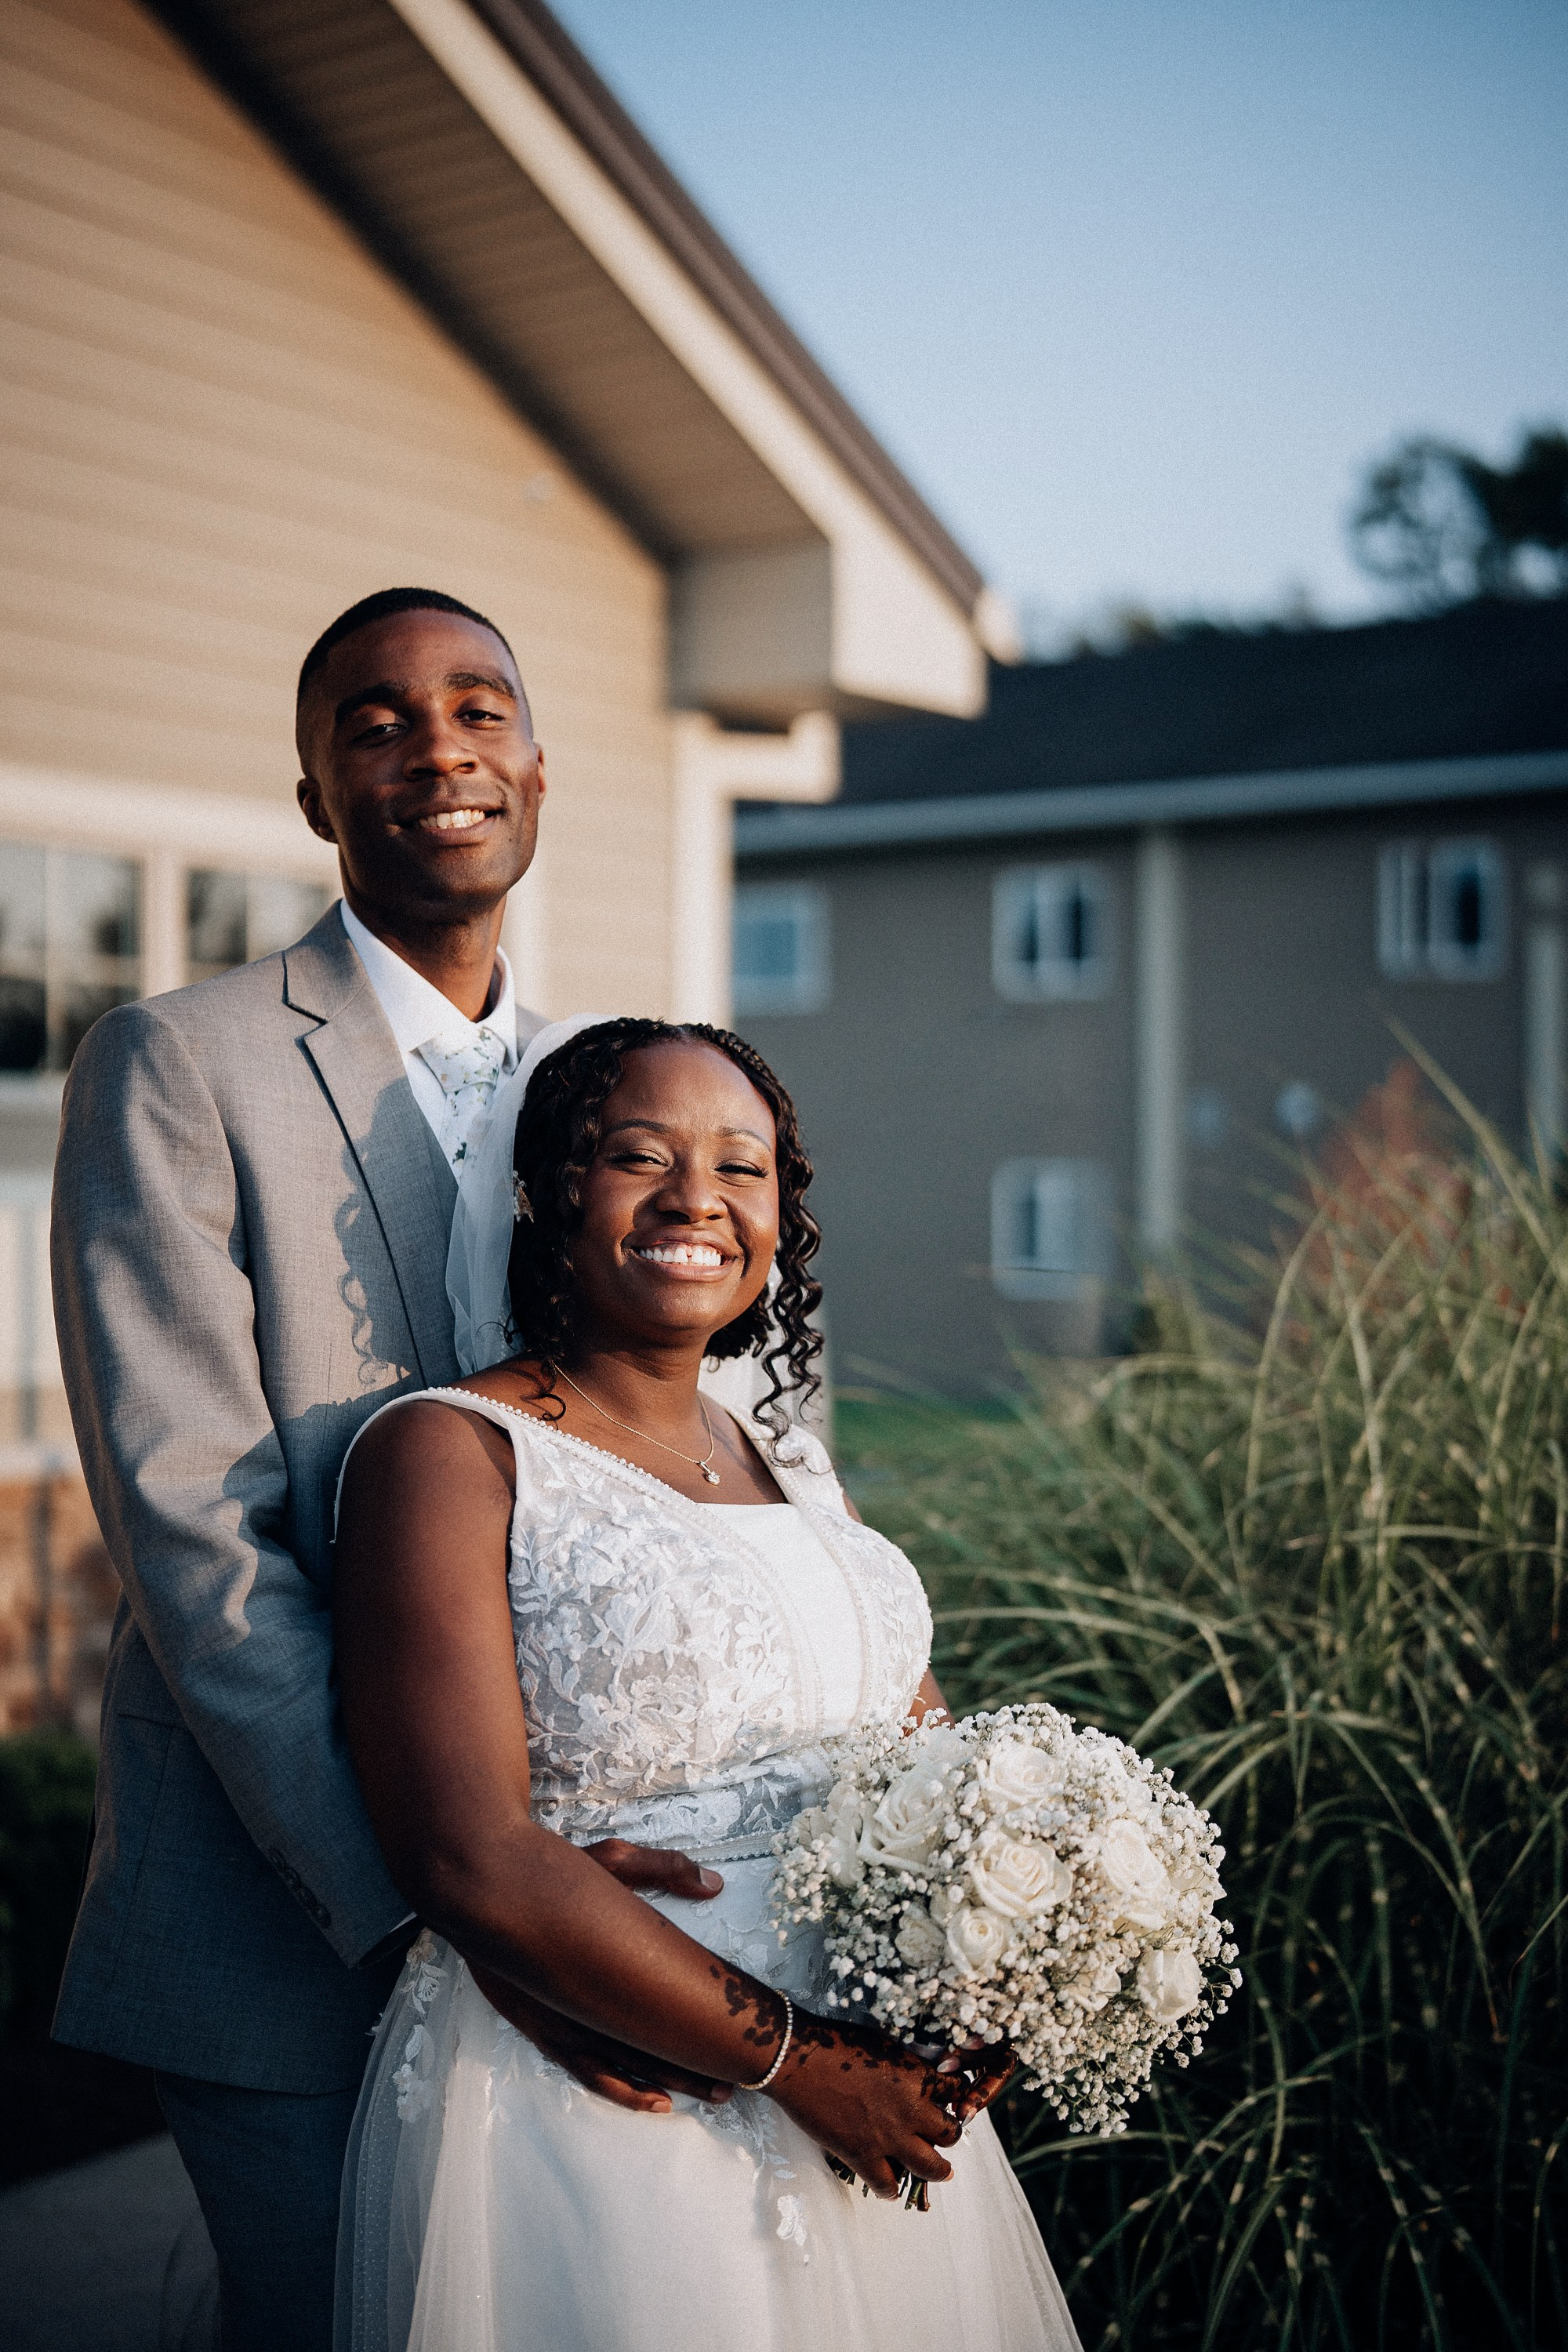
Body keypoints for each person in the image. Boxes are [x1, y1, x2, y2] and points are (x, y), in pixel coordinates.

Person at [49, 589, 724, 2350]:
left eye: (478, 708)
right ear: (313, 792)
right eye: (375, 720)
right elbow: (198, 1539)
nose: (437, 748)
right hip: (298, 1920)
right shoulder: (179, 1066)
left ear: (538, 768)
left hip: (596, 1899)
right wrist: (442, 1896)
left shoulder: (604, 1101)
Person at [332, 1016, 1083, 2350]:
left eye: (742, 1167)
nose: (697, 1199)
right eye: (639, 1157)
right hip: (619, 2087)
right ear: (542, 1194)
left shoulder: (793, 1458)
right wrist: (801, 2064)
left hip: (877, 2079)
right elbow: (465, 1850)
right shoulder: (450, 1454)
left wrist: (1009, 1944)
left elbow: (924, 1759)